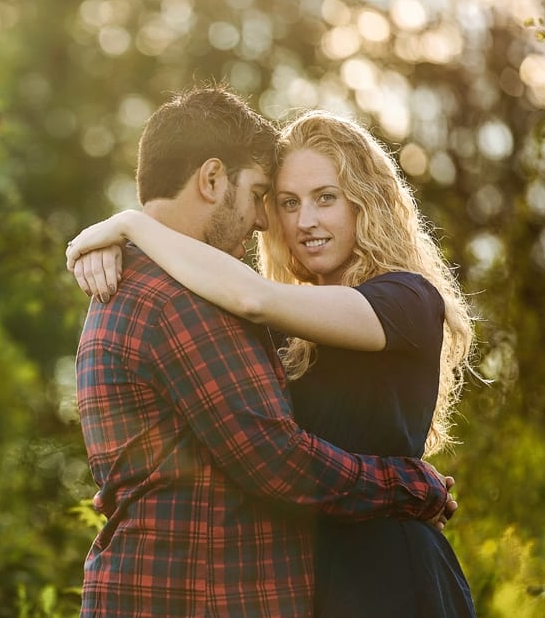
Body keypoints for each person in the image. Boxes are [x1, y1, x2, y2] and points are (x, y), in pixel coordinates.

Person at [66, 106, 477, 617]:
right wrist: (119, 239)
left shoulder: (406, 300)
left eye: (326, 198)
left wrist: (131, 225)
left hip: (386, 571)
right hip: (314, 580)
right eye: (284, 201)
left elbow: (252, 297)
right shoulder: (285, 332)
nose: (303, 221)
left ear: (364, 201)